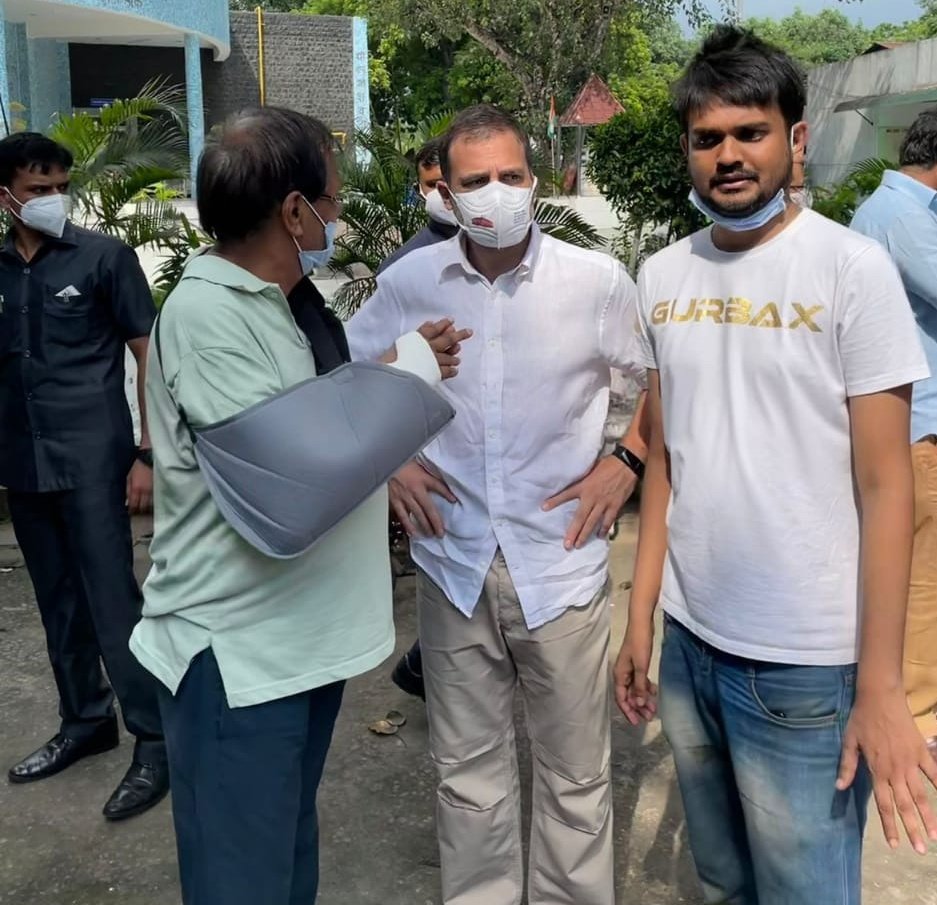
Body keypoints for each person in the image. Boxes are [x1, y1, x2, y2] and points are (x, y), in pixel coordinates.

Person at [614, 25, 937, 905]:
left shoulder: (851, 270)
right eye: (706, 137)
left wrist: (880, 688)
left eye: (748, 132)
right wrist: (643, 619)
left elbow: (886, 485)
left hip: (805, 667)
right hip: (690, 645)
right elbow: (668, 462)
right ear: (686, 148)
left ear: (794, 140)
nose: (726, 155)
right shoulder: (660, 275)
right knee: (721, 882)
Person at [129, 105, 468, 905]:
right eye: (334, 197)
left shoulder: (286, 304)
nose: (338, 211)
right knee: (242, 878)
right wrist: (409, 372)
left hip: (289, 646)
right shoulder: (211, 315)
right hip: (236, 657)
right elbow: (290, 479)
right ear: (293, 210)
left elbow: (312, 410)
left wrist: (388, 423)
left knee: (283, 861)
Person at [347, 104, 649, 905]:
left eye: (509, 176)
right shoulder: (410, 281)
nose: (494, 194)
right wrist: (391, 464)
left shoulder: (593, 283)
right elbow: (346, 377)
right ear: (444, 189)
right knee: (466, 776)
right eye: (474, 179)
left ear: (535, 179)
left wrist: (627, 458)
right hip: (452, 560)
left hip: (559, 560)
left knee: (575, 778)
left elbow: (659, 378)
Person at [0, 132, 168, 821]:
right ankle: (85, 721)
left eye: (59, 186)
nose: (53, 200)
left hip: (95, 460)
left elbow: (146, 350)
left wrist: (147, 451)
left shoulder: (104, 257)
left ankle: (153, 738)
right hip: (22, 463)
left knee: (113, 602)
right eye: (38, 190)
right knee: (56, 601)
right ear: (5, 196)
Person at [852, 109, 937, 763]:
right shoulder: (904, 218)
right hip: (915, 430)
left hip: (904, 427)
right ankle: (916, 716)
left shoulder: (890, 210)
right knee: (918, 581)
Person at [378, 135, 459, 278]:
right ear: (418, 190)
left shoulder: (502, 251)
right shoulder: (397, 268)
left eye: (449, 180)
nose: (443, 190)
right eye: (433, 185)